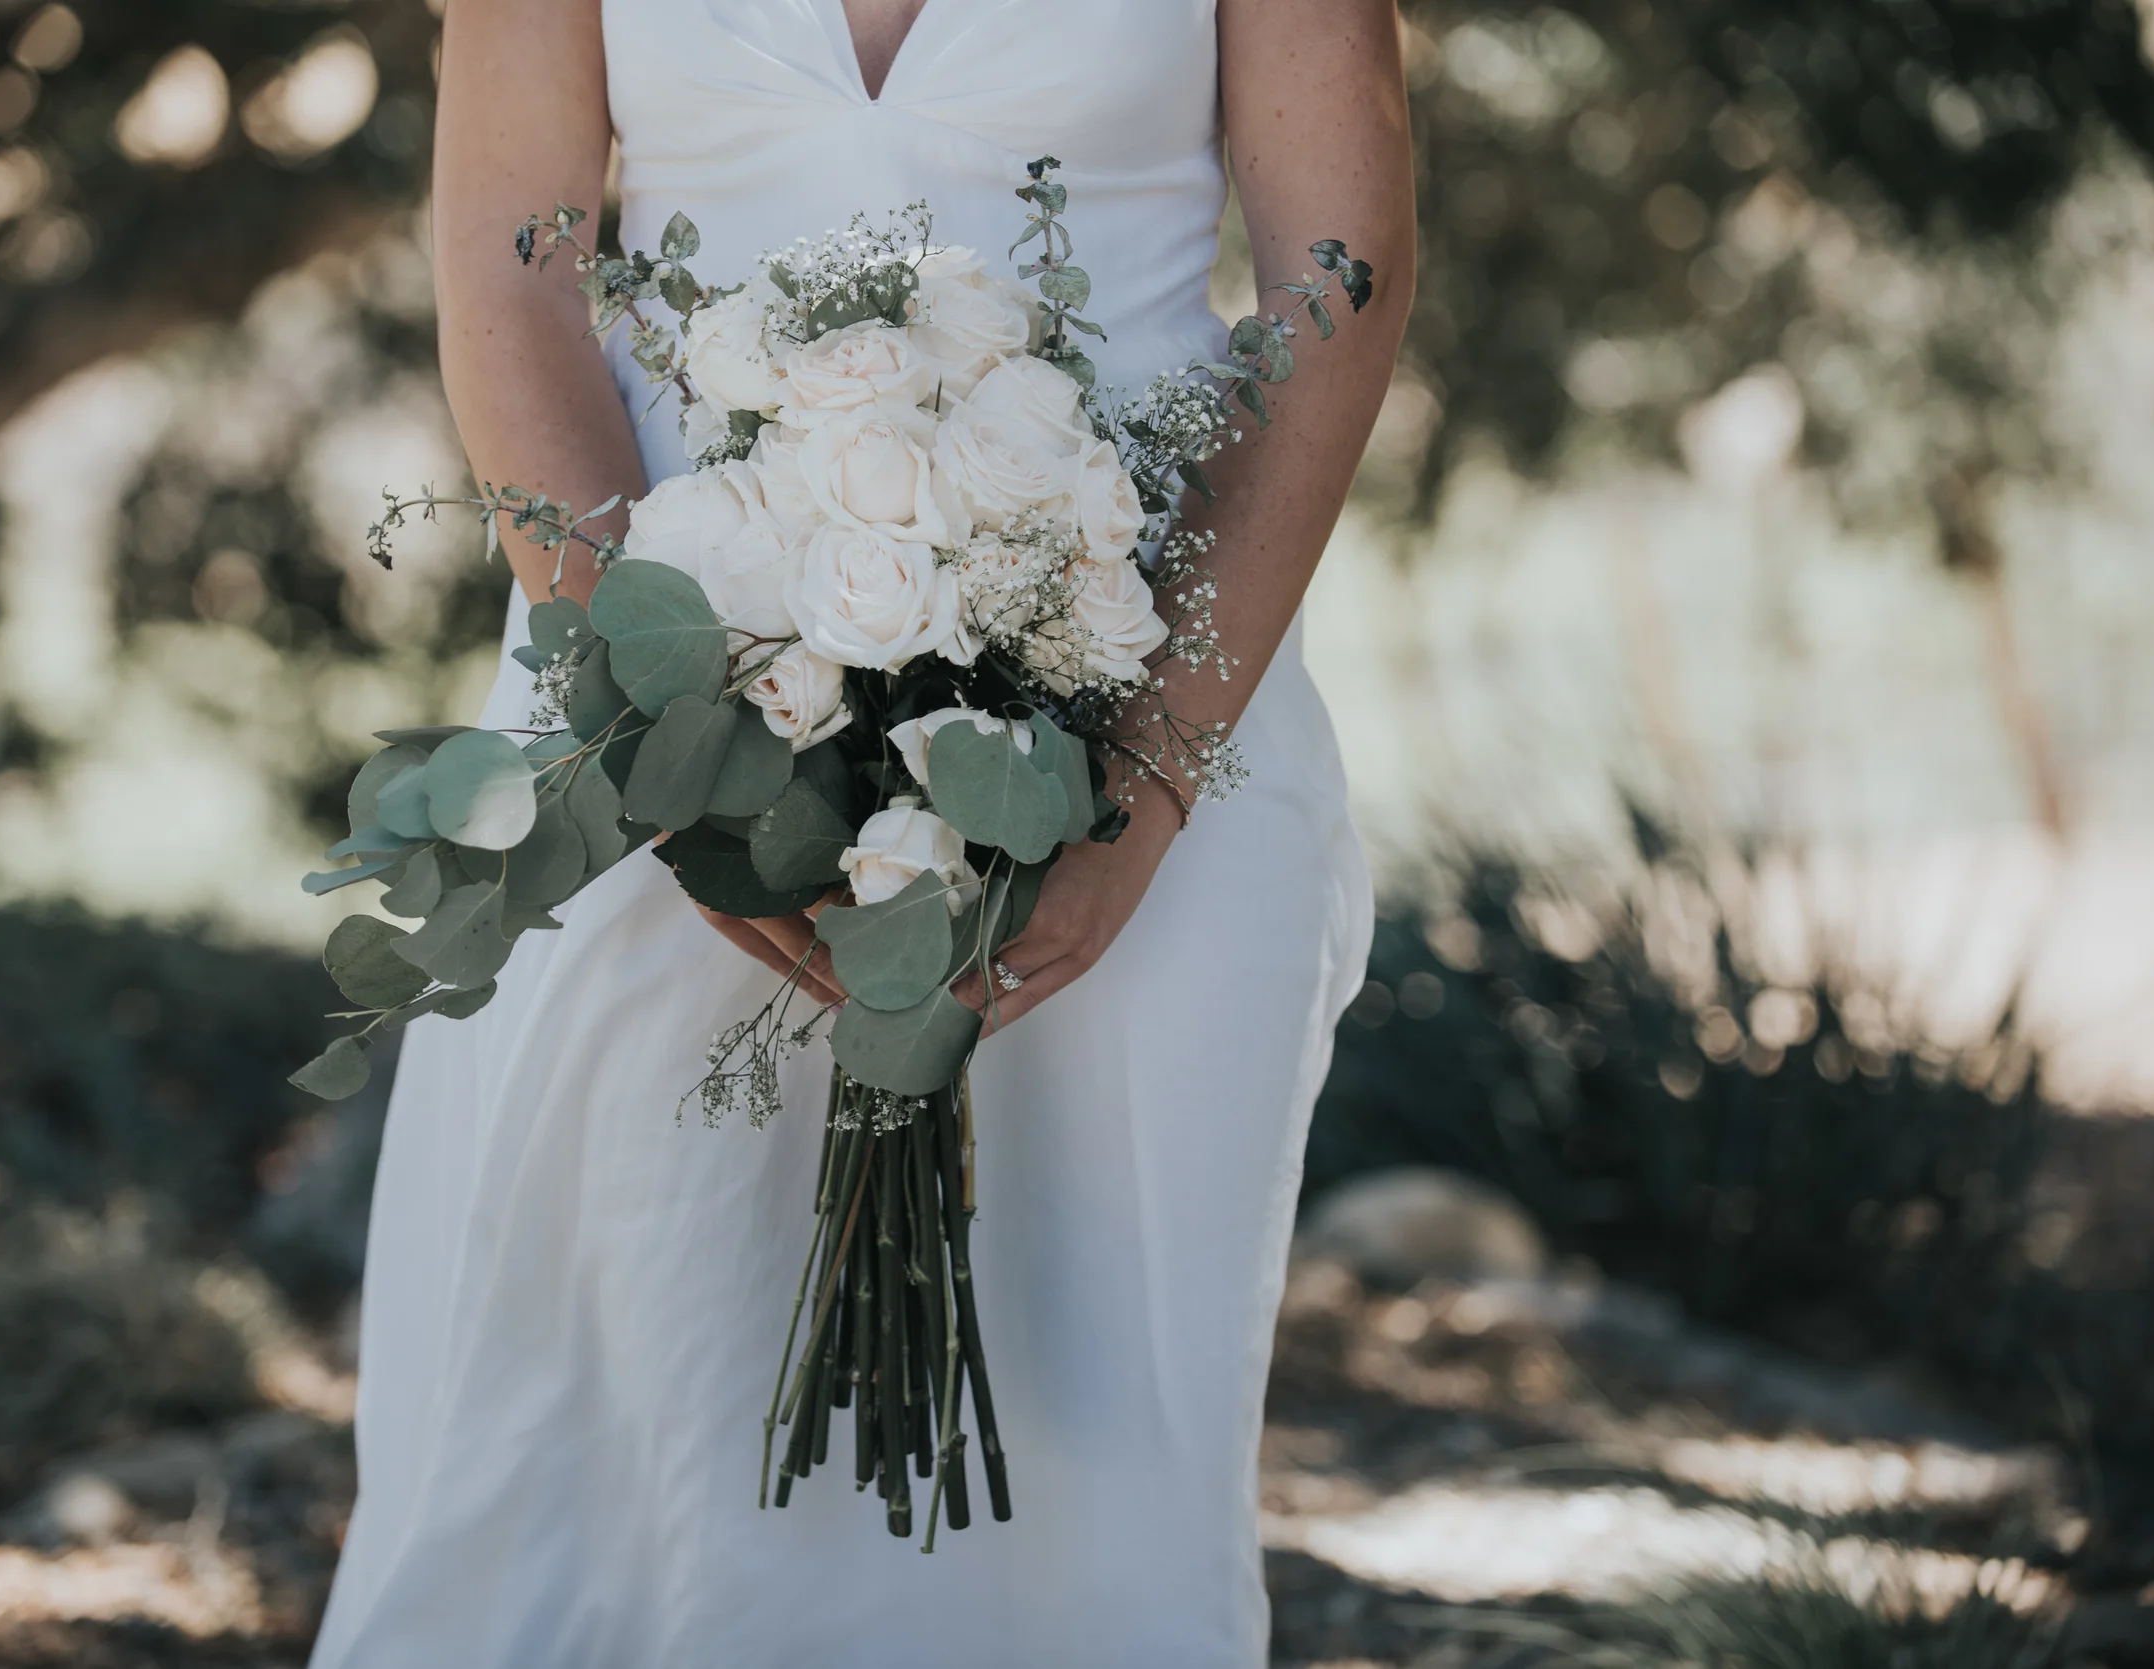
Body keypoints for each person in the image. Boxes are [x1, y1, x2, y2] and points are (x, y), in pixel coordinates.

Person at [312, 0, 1413, 1662]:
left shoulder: (1153, 768)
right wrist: (675, 741)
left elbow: (1339, 278)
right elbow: (511, 267)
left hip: (1152, 689)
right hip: (657, 692)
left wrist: (1149, 777)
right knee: (603, 1455)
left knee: (1098, 1489)